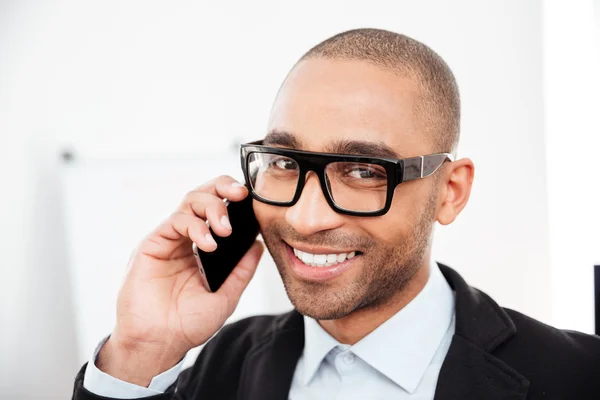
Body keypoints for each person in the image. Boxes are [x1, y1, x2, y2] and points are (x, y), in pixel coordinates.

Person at [72, 28, 600, 400]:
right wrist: (141, 352)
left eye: (364, 171)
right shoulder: (222, 365)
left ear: (450, 193)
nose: (304, 219)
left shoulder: (580, 376)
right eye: (283, 161)